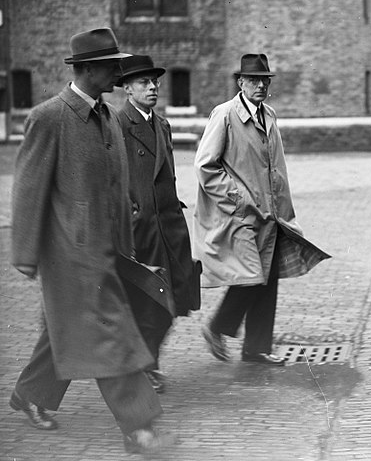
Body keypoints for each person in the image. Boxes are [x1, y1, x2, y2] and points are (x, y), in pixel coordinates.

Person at [8, 28, 175, 453]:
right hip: (71, 252)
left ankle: (30, 394)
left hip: (108, 249)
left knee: (67, 329)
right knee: (110, 334)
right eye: (110, 65)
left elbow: (117, 187)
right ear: (86, 69)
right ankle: (140, 426)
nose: (119, 71)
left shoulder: (107, 116)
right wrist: (26, 255)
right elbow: (29, 188)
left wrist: (128, 244)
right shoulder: (49, 117)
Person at [193, 53, 330, 365]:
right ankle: (217, 327)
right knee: (251, 276)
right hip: (239, 216)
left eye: (264, 80)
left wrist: (283, 211)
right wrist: (240, 200)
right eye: (253, 79)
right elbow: (205, 166)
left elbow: (274, 168)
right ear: (240, 82)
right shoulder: (225, 114)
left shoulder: (269, 114)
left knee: (267, 278)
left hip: (270, 215)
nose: (260, 85)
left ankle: (256, 348)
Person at [116, 55, 201, 393]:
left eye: (154, 82)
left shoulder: (161, 124)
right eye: (143, 83)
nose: (152, 88)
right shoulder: (117, 124)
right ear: (126, 88)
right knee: (148, 302)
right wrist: (131, 212)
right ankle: (143, 367)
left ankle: (146, 363)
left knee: (175, 301)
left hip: (169, 226)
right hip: (142, 228)